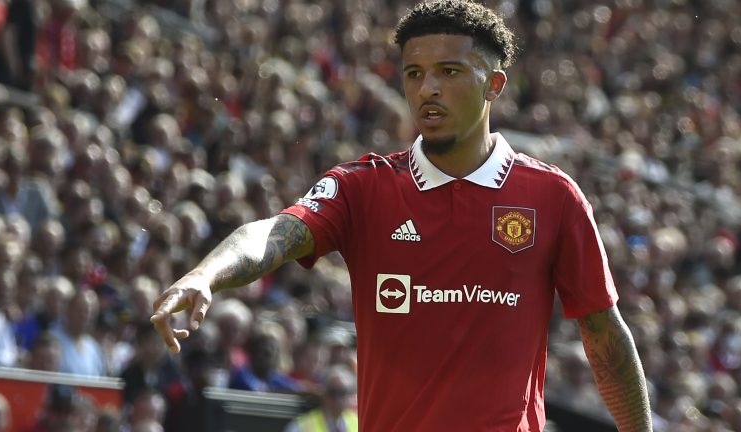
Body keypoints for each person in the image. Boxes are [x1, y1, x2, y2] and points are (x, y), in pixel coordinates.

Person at [150, 1, 653, 431]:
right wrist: (206, 273)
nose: (427, 88)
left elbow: (604, 335)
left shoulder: (552, 196)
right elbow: (276, 232)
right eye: (415, 74)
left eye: (448, 72)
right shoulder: (363, 187)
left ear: (494, 84)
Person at [283, 365, 358, 432]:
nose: (337, 398)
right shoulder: (302, 426)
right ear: (323, 394)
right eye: (332, 392)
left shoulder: (357, 423)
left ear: (350, 396)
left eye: (343, 392)